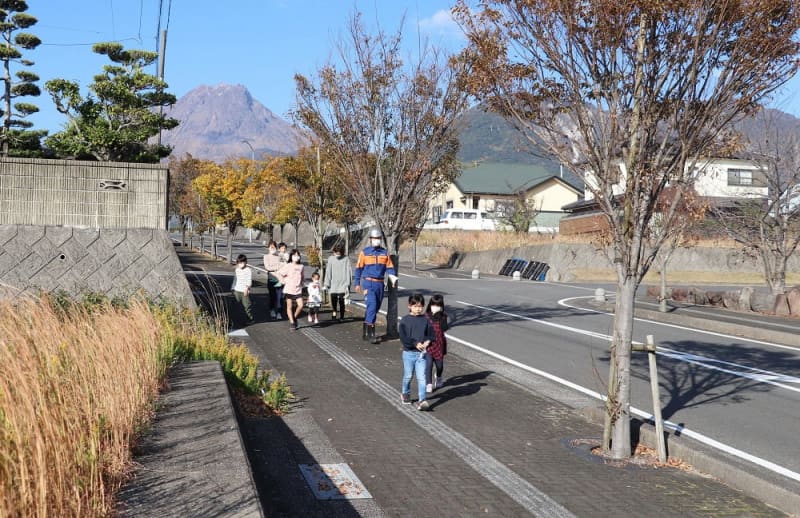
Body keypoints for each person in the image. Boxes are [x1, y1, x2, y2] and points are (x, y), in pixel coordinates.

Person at [354, 228, 397, 343]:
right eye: (374, 238)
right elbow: (358, 269)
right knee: (372, 306)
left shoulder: (384, 253)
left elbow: (390, 268)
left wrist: (392, 278)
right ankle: (371, 334)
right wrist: (357, 283)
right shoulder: (365, 253)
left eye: (378, 238)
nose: (376, 240)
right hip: (369, 283)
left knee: (375, 308)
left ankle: (365, 330)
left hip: (380, 284)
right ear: (370, 239)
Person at [399, 293, 434, 411]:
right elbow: (403, 338)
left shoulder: (425, 320)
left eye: (420, 306)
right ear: (409, 306)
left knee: (422, 378)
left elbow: (431, 334)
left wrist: (428, 341)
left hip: (421, 355)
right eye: (415, 306)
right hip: (408, 353)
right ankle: (405, 393)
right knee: (408, 376)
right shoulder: (405, 320)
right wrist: (415, 343)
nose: (418, 309)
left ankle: (422, 400)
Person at [424, 293, 449, 393]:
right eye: (433, 305)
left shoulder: (443, 316)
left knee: (439, 366)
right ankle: (428, 383)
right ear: (430, 304)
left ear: (441, 306)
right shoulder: (426, 316)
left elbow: (444, 328)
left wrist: (440, 316)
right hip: (428, 344)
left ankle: (438, 377)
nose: (435, 307)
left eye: (438, 305)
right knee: (428, 364)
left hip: (439, 344)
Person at [323, 243, 352, 322]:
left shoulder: (346, 259)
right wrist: (326, 284)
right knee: (333, 299)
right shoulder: (331, 259)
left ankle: (342, 316)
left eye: (339, 253)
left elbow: (348, 272)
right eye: (336, 253)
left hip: (343, 283)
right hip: (333, 283)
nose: (337, 254)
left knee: (342, 300)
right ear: (334, 252)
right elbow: (328, 272)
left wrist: (347, 284)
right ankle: (334, 311)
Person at [278, 248, 305, 330]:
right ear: (291, 256)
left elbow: (302, 276)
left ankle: (294, 317)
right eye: (294, 255)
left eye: (297, 255)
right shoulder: (288, 265)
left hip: (298, 289)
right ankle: (292, 323)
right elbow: (279, 273)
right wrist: (282, 281)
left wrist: (302, 283)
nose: (296, 257)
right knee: (289, 306)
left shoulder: (301, 266)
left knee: (301, 305)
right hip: (289, 288)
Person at [231, 254, 254, 326]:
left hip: (244, 290)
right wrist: (232, 288)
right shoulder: (237, 270)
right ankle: (231, 320)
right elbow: (235, 279)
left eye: (242, 262)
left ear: (246, 262)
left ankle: (250, 319)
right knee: (234, 305)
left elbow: (249, 280)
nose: (240, 264)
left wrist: (247, 289)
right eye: (239, 263)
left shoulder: (248, 270)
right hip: (236, 290)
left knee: (247, 306)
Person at [262, 240, 281, 319]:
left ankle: (279, 312)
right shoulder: (266, 257)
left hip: (280, 280)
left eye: (274, 247)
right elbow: (267, 267)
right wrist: (277, 267)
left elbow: (283, 266)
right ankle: (272, 310)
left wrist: (277, 267)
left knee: (280, 297)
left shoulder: (279, 257)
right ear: (268, 248)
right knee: (272, 296)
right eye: (271, 247)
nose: (272, 248)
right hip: (271, 279)